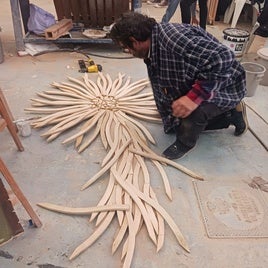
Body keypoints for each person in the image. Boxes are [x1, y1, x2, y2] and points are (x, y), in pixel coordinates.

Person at [110, 12, 248, 160]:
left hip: (224, 83)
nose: (128, 52)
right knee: (176, 120)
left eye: (126, 47)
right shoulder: (155, 40)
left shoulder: (174, 41)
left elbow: (223, 57)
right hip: (202, 75)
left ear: (134, 41)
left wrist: (192, 98)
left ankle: (227, 117)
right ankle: (214, 112)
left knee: (193, 115)